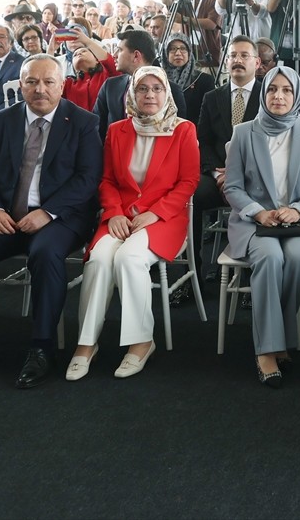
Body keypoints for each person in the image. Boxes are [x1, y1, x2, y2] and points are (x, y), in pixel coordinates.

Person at [0, 55, 102, 388]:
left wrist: (48, 212)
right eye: (31, 82)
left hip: (58, 217)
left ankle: (42, 348)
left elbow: (87, 179)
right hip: (4, 215)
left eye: (48, 82)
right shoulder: (1, 120)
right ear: (21, 85)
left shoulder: (83, 122)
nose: (39, 89)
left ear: (62, 86)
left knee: (45, 254)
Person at [65, 67, 199, 381]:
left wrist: (156, 212)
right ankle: (86, 343)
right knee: (99, 259)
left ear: (166, 93)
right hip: (120, 215)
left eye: (156, 89)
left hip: (163, 218)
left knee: (129, 258)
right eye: (142, 89)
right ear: (132, 95)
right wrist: (113, 212)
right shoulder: (117, 130)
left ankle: (142, 342)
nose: (150, 95)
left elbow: (189, 181)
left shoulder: (183, 129)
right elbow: (107, 180)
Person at [224, 65, 300, 387]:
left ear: (297, 95)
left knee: (298, 258)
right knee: (270, 258)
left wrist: (298, 209)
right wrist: (258, 212)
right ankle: (267, 351)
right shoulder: (243, 133)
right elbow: (233, 187)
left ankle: (277, 333)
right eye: (272, 89)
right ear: (263, 93)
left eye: (286, 90)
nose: (279, 96)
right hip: (255, 223)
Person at [194, 37, 261, 274]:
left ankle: (254, 270)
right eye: (233, 56)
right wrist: (217, 173)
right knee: (193, 194)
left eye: (244, 55)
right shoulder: (212, 97)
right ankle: (195, 275)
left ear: (257, 62)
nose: (237, 60)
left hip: (255, 176)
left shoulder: (268, 96)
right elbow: (203, 141)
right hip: (218, 176)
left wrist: (238, 174)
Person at [93, 29, 185, 137]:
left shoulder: (172, 90)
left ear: (136, 55)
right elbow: (97, 128)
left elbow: (180, 132)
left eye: (120, 50)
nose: (114, 55)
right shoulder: (110, 86)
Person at [161, 0, 222, 67]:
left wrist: (184, 19)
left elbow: (211, 24)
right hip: (186, 59)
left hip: (209, 59)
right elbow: (166, 0)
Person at [57, 21, 118, 112]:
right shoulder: (68, 84)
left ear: (97, 60)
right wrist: (51, 49)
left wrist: (86, 40)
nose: (79, 53)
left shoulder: (106, 75)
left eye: (84, 51)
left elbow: (109, 62)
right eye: (75, 55)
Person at [162, 34, 214, 124]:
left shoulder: (204, 80)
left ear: (189, 52)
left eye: (183, 48)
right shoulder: (159, 80)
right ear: (166, 53)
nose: (178, 53)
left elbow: (209, 115)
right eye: (173, 49)